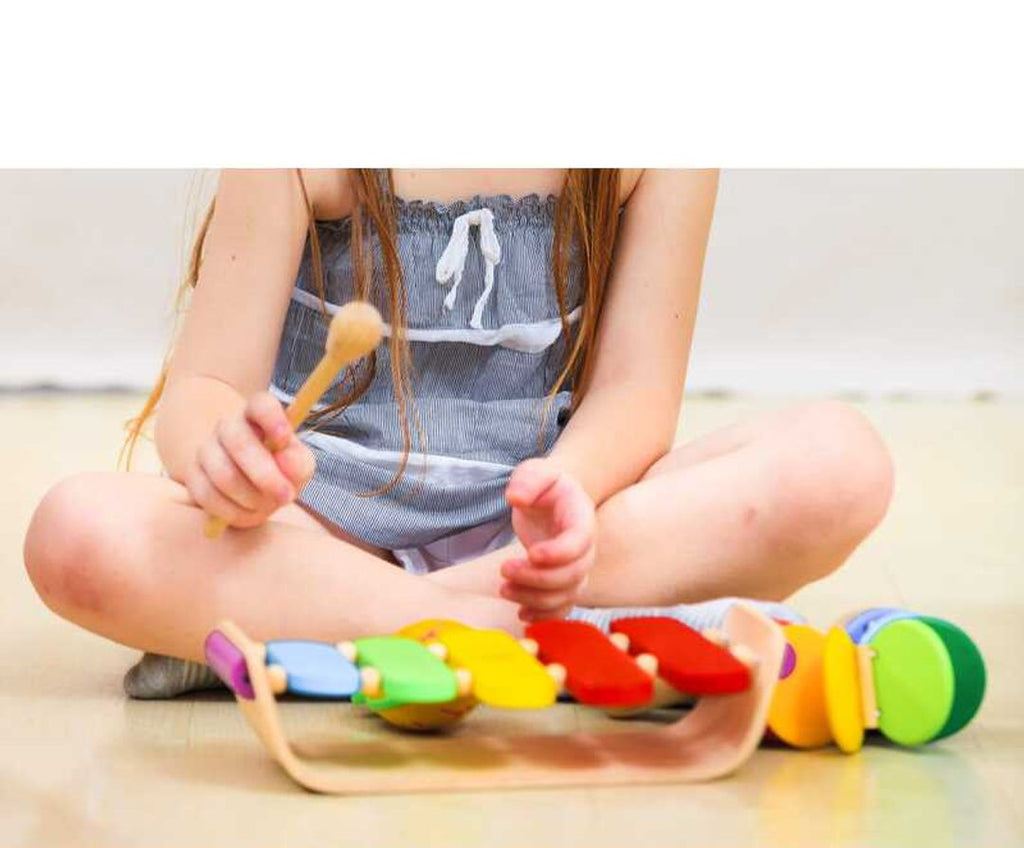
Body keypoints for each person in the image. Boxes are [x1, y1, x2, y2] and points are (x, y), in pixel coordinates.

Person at [23, 169, 894, 697]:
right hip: (316, 535)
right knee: (76, 534)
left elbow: (635, 392)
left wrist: (570, 493)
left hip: (536, 539)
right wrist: (226, 457)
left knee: (839, 464)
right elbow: (205, 386)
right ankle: (525, 636)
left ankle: (321, 636)